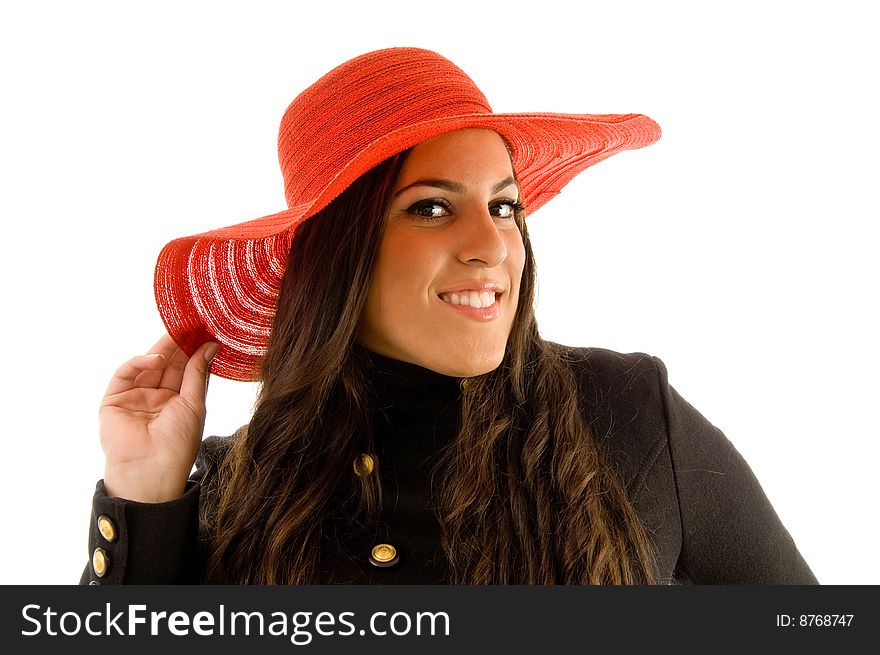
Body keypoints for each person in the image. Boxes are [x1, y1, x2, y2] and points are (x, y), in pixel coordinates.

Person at [81, 47, 817, 585]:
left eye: (505, 205)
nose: (492, 243)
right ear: (343, 256)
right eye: (431, 207)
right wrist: (143, 492)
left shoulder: (625, 415)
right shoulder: (232, 490)